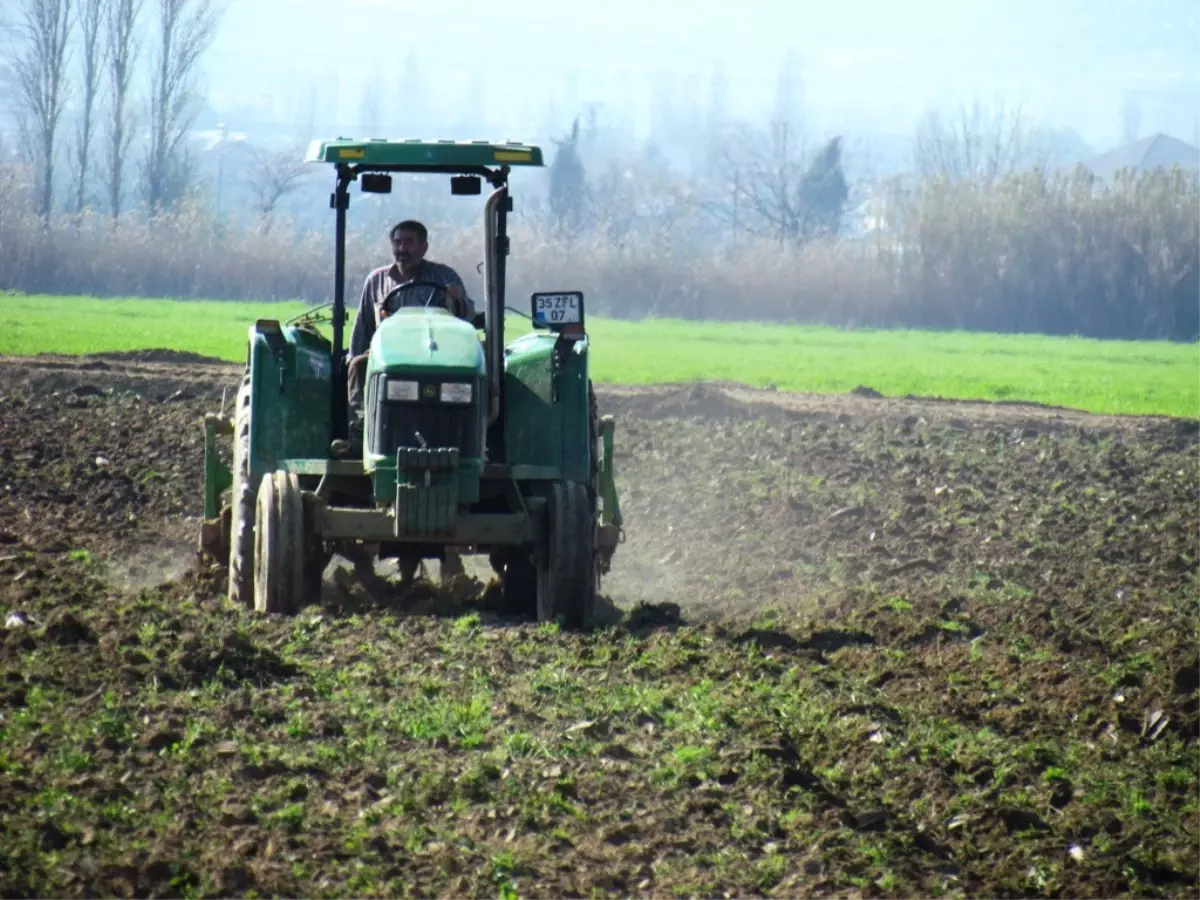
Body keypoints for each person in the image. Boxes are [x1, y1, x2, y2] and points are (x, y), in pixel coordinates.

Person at [346, 219, 474, 441]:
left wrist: (457, 299)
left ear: (424, 247)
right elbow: (363, 327)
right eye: (398, 243)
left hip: (436, 356)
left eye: (409, 242)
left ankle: (469, 437)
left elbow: (466, 317)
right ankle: (362, 433)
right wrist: (353, 357)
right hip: (387, 356)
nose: (402, 249)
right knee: (357, 365)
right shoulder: (376, 281)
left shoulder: (445, 276)